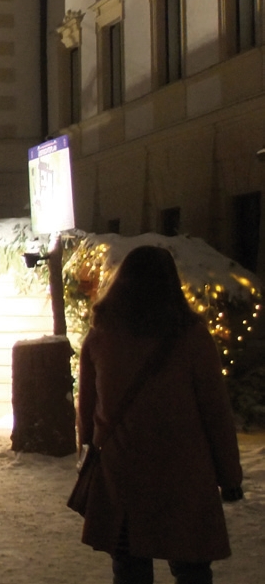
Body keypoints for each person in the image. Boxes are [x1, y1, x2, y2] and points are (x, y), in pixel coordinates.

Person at [77, 245, 243, 583]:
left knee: (130, 569)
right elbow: (216, 413)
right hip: (184, 474)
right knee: (191, 568)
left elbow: (89, 408)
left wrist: (90, 446)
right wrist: (229, 476)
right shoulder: (193, 338)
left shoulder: (101, 335)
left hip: (122, 472)